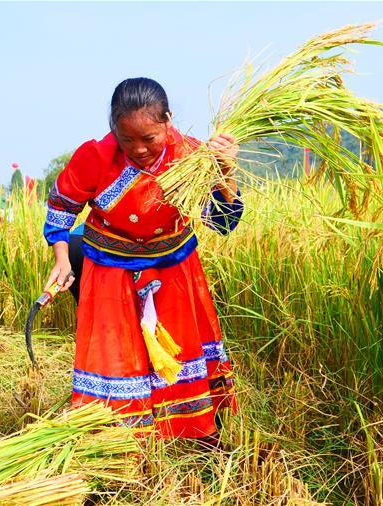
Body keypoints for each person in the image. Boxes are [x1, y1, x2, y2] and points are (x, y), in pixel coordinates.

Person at [42, 78, 243, 444]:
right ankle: (115, 437)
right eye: (127, 140)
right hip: (110, 268)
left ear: (168, 121)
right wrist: (62, 259)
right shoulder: (96, 157)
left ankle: (187, 431)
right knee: (115, 351)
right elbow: (61, 207)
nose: (139, 149)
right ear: (113, 131)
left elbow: (223, 221)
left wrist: (225, 171)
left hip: (173, 267)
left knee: (178, 353)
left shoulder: (191, 157)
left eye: (149, 138)